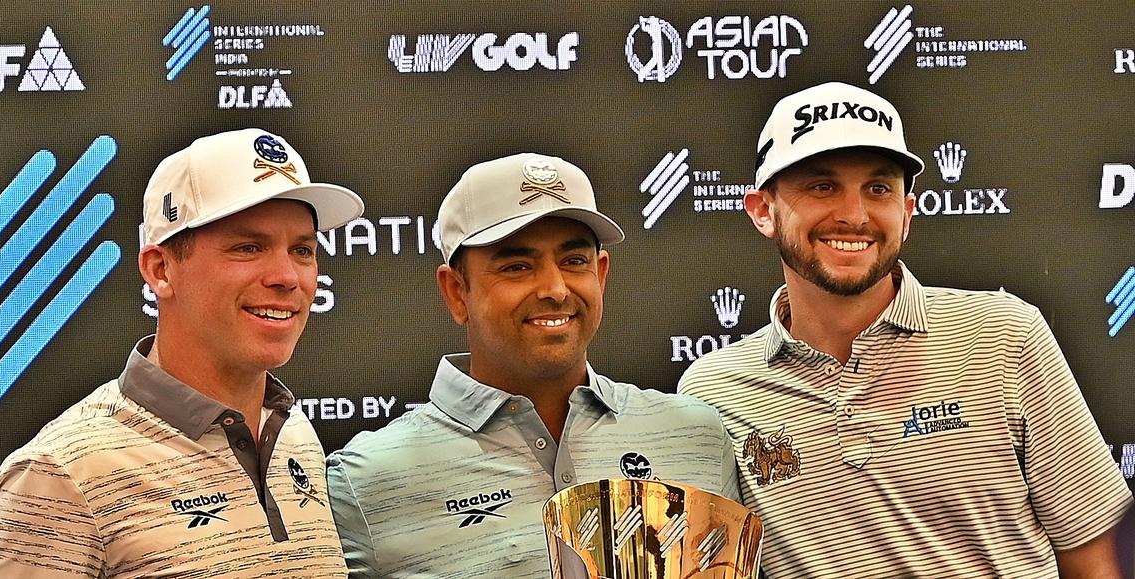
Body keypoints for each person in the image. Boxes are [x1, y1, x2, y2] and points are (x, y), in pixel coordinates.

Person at [678, 81, 1133, 578]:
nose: (854, 215)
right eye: (821, 186)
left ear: (907, 213)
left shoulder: (1005, 333)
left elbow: (1096, 559)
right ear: (764, 211)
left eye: (878, 188)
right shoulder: (713, 392)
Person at [0, 129, 364, 578]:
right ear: (161, 270)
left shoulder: (294, 435)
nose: (287, 276)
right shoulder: (59, 473)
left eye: (303, 250)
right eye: (248, 247)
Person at [327, 153, 742, 577]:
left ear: (601, 274)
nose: (555, 289)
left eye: (574, 261)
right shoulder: (365, 481)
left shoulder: (696, 434)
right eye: (517, 266)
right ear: (456, 292)